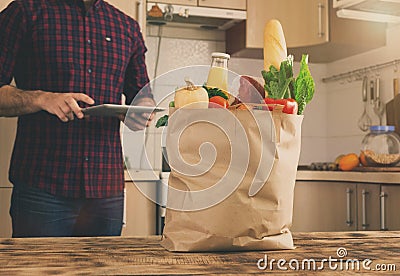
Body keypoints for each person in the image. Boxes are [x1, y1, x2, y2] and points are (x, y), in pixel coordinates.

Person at [0, 0, 155, 237]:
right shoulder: (25, 11)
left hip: (107, 190)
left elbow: (142, 97)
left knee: (104, 272)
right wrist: (42, 99)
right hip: (41, 186)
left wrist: (141, 112)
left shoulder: (127, 27)